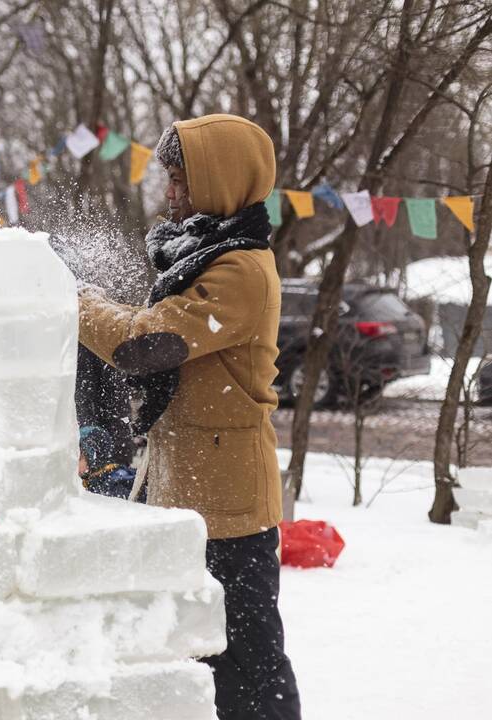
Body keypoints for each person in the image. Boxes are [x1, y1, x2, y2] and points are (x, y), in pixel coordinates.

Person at [77, 114, 301, 719]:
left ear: (220, 182)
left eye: (179, 180)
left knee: (248, 665)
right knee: (193, 659)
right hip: (186, 490)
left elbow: (143, 344)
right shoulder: (200, 259)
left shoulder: (241, 272)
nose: (168, 194)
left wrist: (69, 298)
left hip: (230, 505)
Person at [78, 424, 139, 500]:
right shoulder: (88, 482)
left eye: (79, 458)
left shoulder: (115, 485)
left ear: (93, 461)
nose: (73, 461)